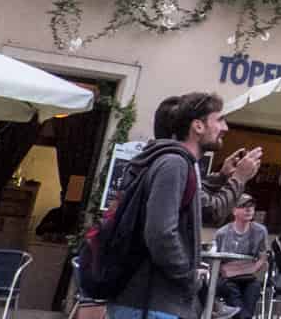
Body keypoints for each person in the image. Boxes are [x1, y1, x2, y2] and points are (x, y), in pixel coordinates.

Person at [108, 92, 261, 319]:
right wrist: (188, 276)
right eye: (219, 119)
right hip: (151, 302)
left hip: (147, 301)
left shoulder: (166, 161)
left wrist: (220, 178)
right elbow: (161, 232)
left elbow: (194, 203)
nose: (226, 127)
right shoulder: (173, 164)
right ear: (197, 126)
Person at [213, 195, 269, 319]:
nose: (249, 210)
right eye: (244, 206)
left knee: (254, 288)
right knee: (231, 289)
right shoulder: (222, 233)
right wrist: (241, 267)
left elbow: (263, 258)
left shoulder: (260, 231)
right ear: (234, 211)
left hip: (249, 277)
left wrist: (246, 269)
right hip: (227, 280)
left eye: (251, 207)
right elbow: (216, 262)